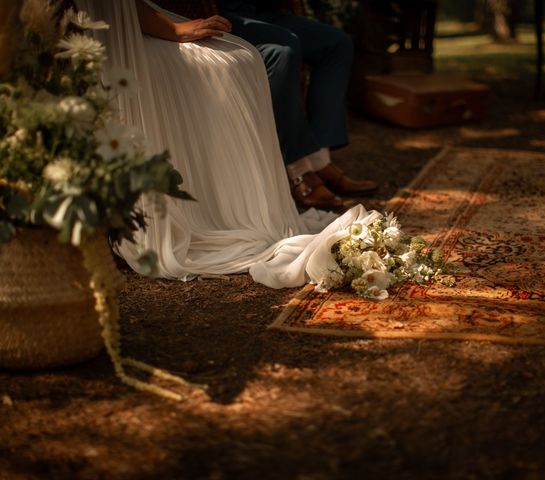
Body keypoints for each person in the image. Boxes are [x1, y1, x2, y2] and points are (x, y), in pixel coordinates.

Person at [74, 0, 378, 288]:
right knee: (247, 58)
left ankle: (314, 160)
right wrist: (173, 30)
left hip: (147, 19)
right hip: (114, 32)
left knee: (319, 44)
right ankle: (285, 174)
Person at [154, 0, 378, 210]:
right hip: (219, 10)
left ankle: (319, 159)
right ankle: (297, 167)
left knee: (337, 43)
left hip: (266, 9)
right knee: (283, 50)